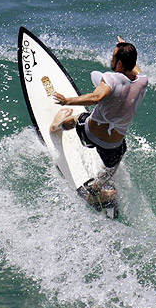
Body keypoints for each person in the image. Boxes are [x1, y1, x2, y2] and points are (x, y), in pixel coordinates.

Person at [50, 36, 148, 207]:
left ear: (118, 65)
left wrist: (68, 100)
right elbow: (135, 69)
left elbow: (96, 97)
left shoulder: (111, 78)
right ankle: (94, 190)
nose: (111, 59)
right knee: (112, 167)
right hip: (112, 145)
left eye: (113, 57)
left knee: (76, 119)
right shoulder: (143, 81)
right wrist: (124, 49)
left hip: (90, 134)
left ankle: (56, 125)